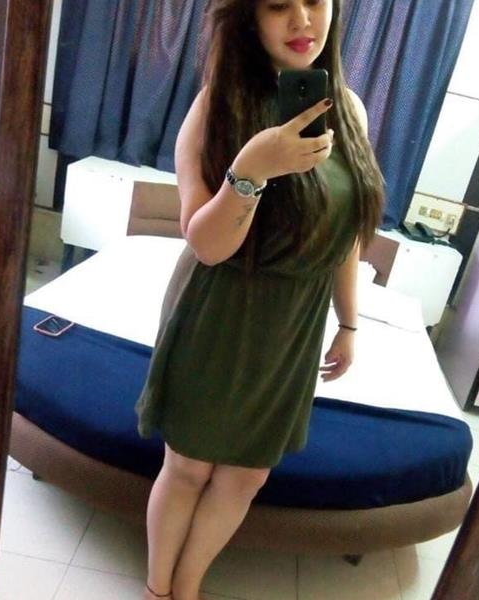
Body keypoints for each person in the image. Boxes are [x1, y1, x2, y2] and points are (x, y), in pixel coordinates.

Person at [135, 1, 385, 598]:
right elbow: (206, 245)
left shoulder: (349, 111)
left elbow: (344, 235)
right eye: (278, 6)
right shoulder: (216, 107)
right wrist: (250, 170)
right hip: (219, 309)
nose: (302, 20)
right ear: (250, 18)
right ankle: (157, 589)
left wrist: (349, 323)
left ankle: (187, 587)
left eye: (314, 2)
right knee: (188, 466)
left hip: (294, 324)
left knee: (246, 476)